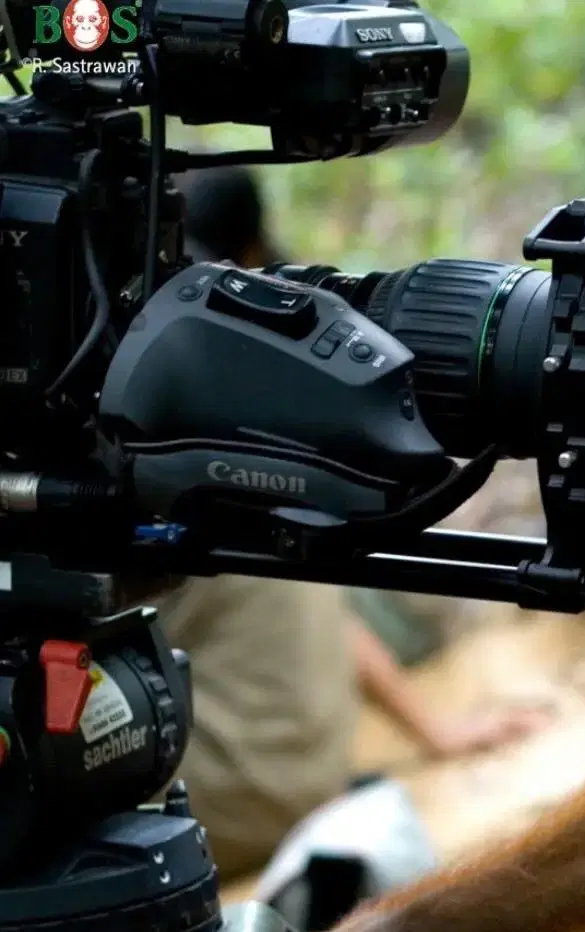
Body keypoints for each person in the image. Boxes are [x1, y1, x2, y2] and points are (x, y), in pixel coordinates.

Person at [155, 165, 551, 881]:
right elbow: (330, 604)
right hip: (312, 781)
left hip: (227, 809)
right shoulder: (252, 410)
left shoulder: (146, 441)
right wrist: (439, 732)